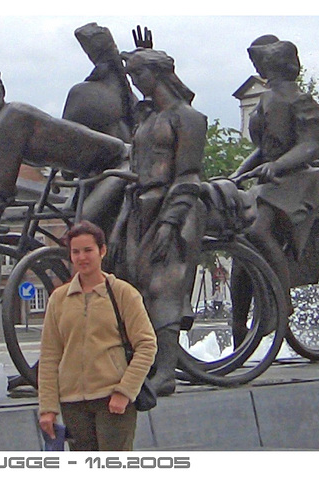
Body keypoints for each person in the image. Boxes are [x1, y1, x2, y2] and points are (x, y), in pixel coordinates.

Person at [110, 47, 208, 396]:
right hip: (140, 206)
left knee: (164, 284)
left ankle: (166, 371)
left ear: (158, 74)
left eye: (138, 74)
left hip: (175, 209)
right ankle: (145, 362)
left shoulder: (188, 118)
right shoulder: (149, 118)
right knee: (132, 284)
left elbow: (189, 175)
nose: (135, 82)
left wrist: (170, 222)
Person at [228, 35, 319, 346]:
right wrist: (236, 175)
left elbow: (311, 145)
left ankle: (281, 301)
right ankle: (239, 321)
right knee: (237, 242)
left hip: (297, 182)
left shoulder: (302, 101)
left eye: (265, 65)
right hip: (270, 183)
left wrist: (279, 165)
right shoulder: (266, 102)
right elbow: (262, 150)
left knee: (256, 231)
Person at [38, 220, 157, 451]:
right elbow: (50, 356)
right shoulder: (59, 299)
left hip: (112, 400)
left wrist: (125, 391)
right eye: (76, 252)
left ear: (102, 251)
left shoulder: (123, 293)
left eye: (88, 250)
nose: (82, 257)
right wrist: (48, 407)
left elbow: (146, 345)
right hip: (73, 404)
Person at [0, 68, 128, 230]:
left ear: (2, 90)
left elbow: (5, 187)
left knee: (86, 223)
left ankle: (113, 252)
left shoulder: (13, 117)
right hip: (91, 171)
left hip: (121, 162)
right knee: (72, 219)